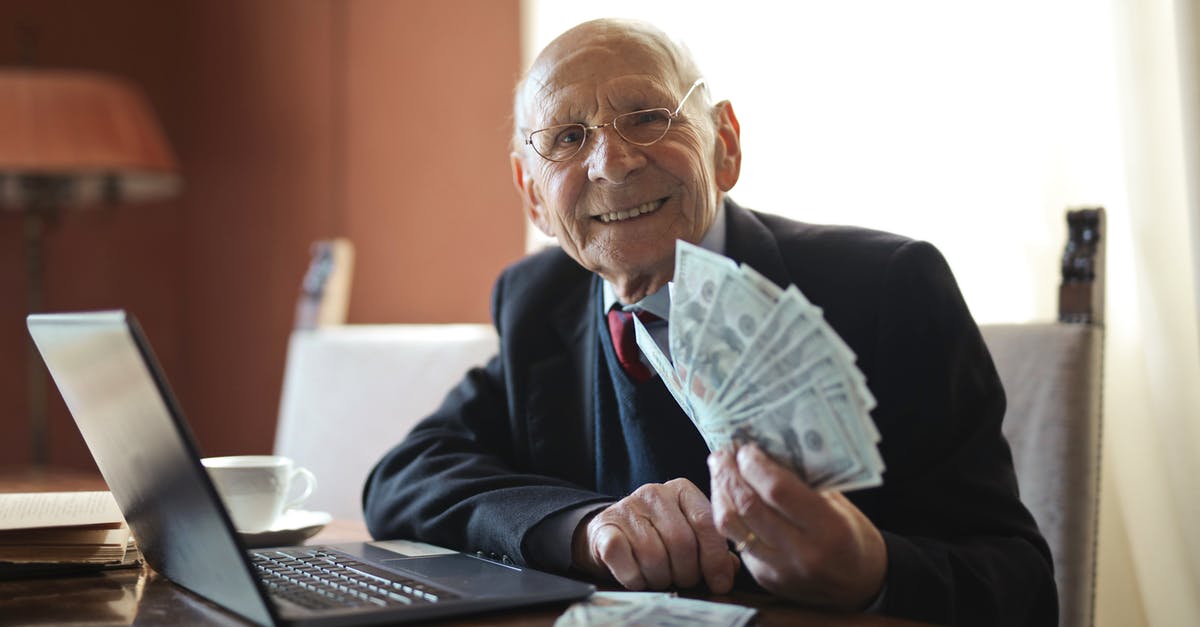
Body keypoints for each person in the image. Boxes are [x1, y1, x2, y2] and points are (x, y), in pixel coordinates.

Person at [363, 17, 1057, 626]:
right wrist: (583, 527)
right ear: (533, 196)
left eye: (646, 117)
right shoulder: (539, 300)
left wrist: (871, 568)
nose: (613, 161)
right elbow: (405, 476)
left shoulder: (888, 287)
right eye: (569, 136)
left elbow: (1021, 585)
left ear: (725, 141)